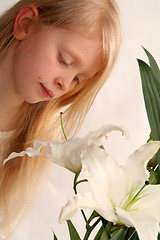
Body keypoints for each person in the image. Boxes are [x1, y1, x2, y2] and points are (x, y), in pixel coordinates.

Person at [0, 0, 121, 238]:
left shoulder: (37, 147)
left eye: (77, 79)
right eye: (64, 60)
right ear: (25, 24)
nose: (65, 84)